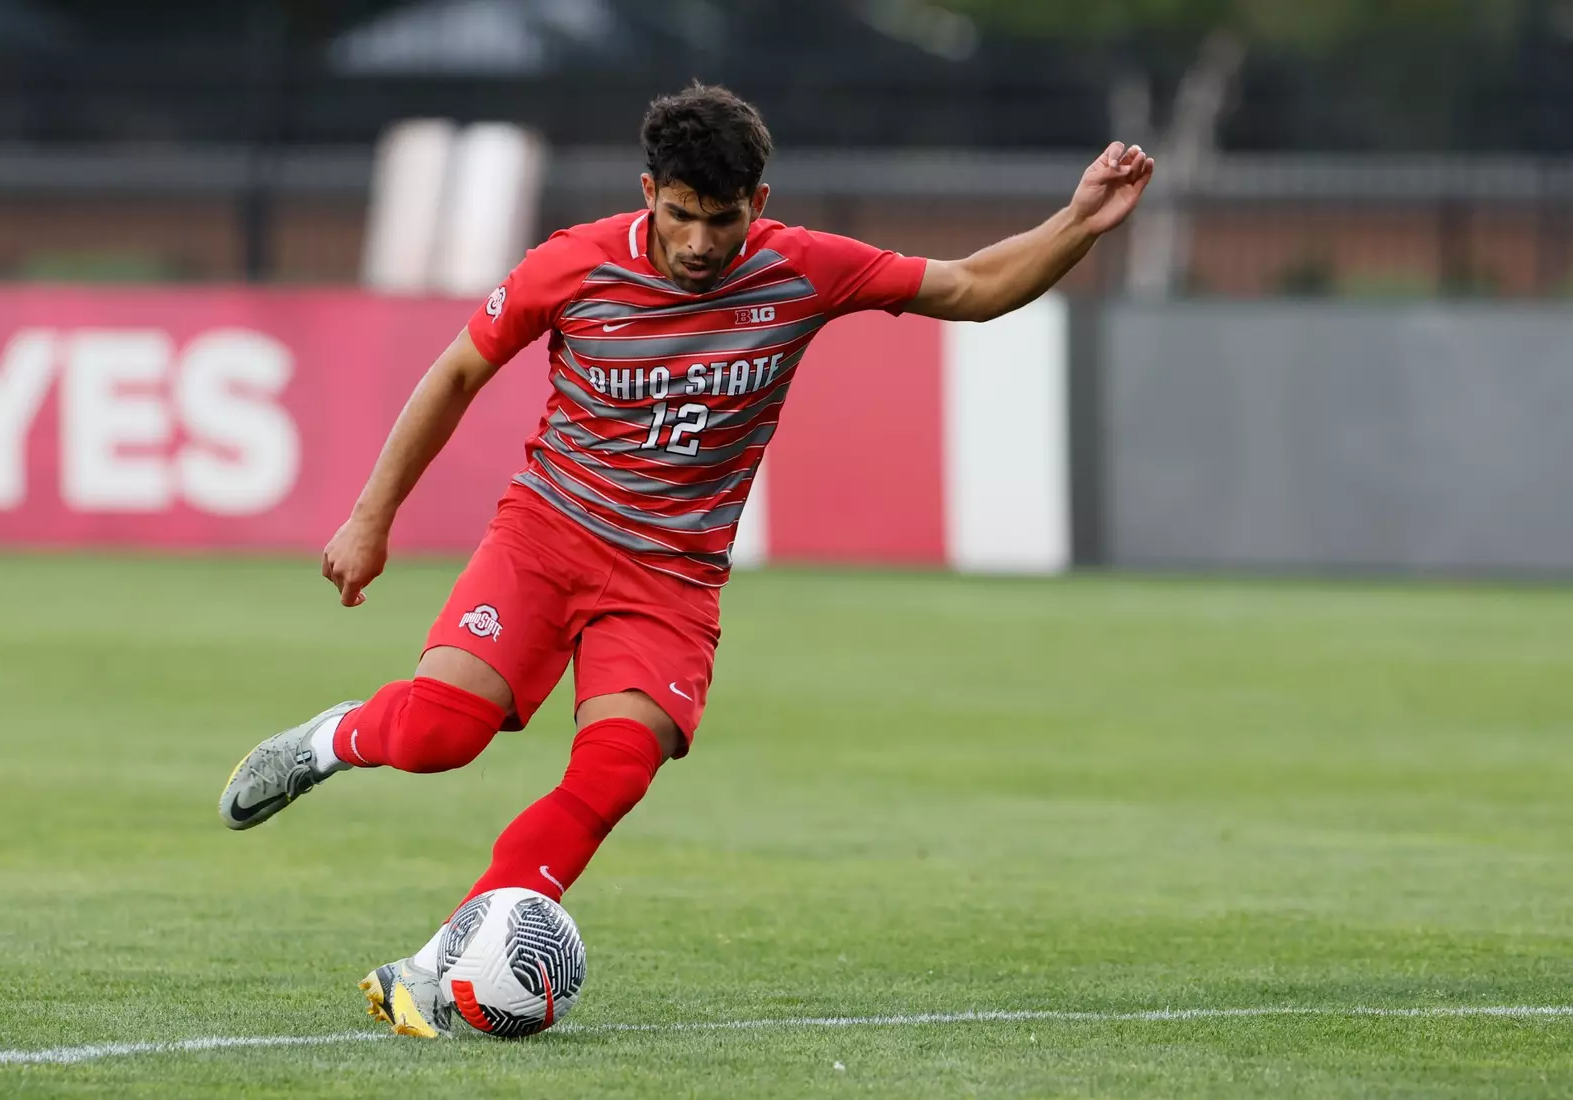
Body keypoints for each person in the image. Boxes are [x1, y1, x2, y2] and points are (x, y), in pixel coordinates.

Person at [218, 82, 1154, 1038]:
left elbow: (971, 287)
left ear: (760, 202)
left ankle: (436, 968)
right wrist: (371, 519)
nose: (702, 243)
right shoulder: (572, 265)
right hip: (545, 539)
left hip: (670, 582)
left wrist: (1079, 222)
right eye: (680, 216)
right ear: (647, 192)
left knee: (611, 775)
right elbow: (458, 369)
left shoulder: (803, 270)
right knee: (440, 737)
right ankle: (330, 740)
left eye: (723, 219)